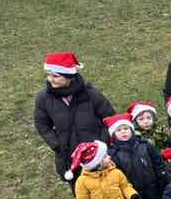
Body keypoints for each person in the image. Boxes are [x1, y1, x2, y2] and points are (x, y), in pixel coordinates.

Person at [35, 51, 113, 184]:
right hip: (69, 158)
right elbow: (42, 124)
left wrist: (101, 143)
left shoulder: (91, 94)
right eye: (48, 75)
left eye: (55, 76)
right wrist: (57, 145)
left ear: (69, 77)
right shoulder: (43, 98)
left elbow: (110, 118)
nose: (50, 79)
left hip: (97, 155)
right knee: (80, 192)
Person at [105, 111, 169, 199]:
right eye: (119, 130)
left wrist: (162, 179)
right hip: (133, 193)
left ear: (132, 130)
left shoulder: (145, 145)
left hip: (153, 188)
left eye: (126, 128)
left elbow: (158, 163)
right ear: (113, 134)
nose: (123, 132)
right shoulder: (114, 154)